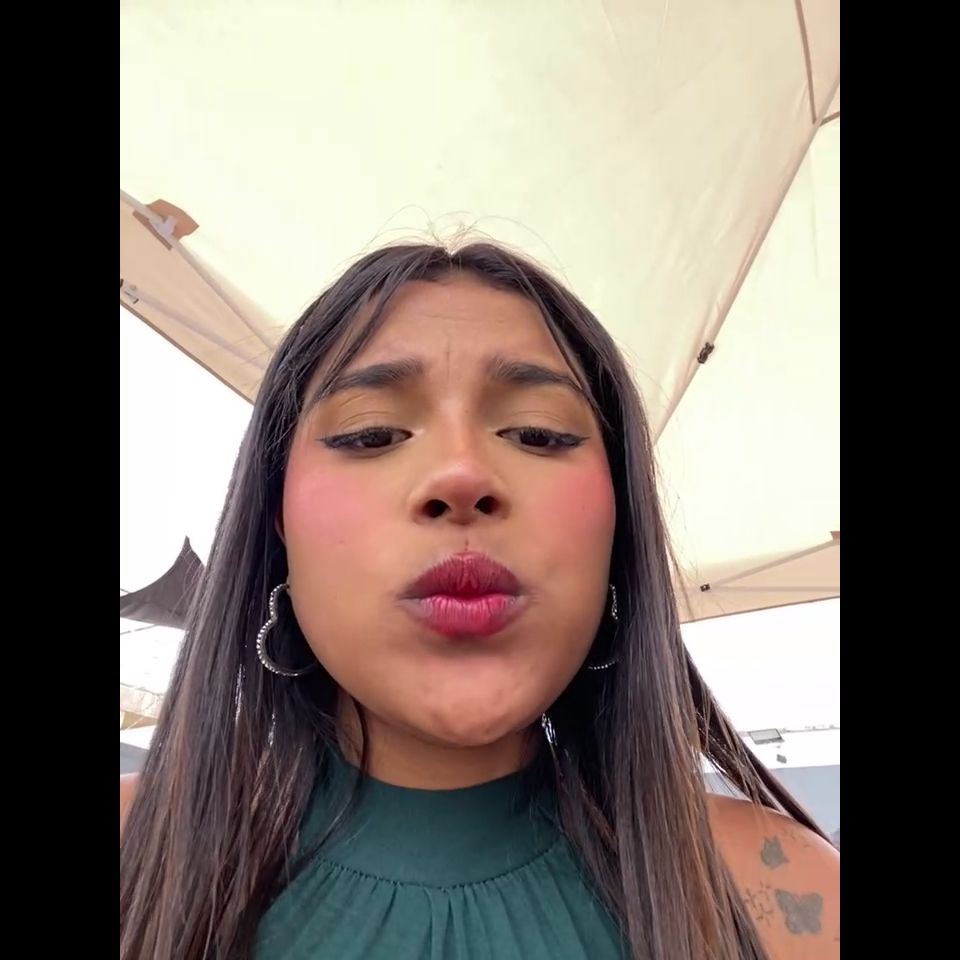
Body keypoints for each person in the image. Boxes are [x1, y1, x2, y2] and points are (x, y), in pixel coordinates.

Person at [120, 242, 839, 960]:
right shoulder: (136, 854)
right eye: (371, 434)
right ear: (277, 518)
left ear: (620, 524)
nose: (461, 474)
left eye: (538, 433)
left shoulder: (788, 899)